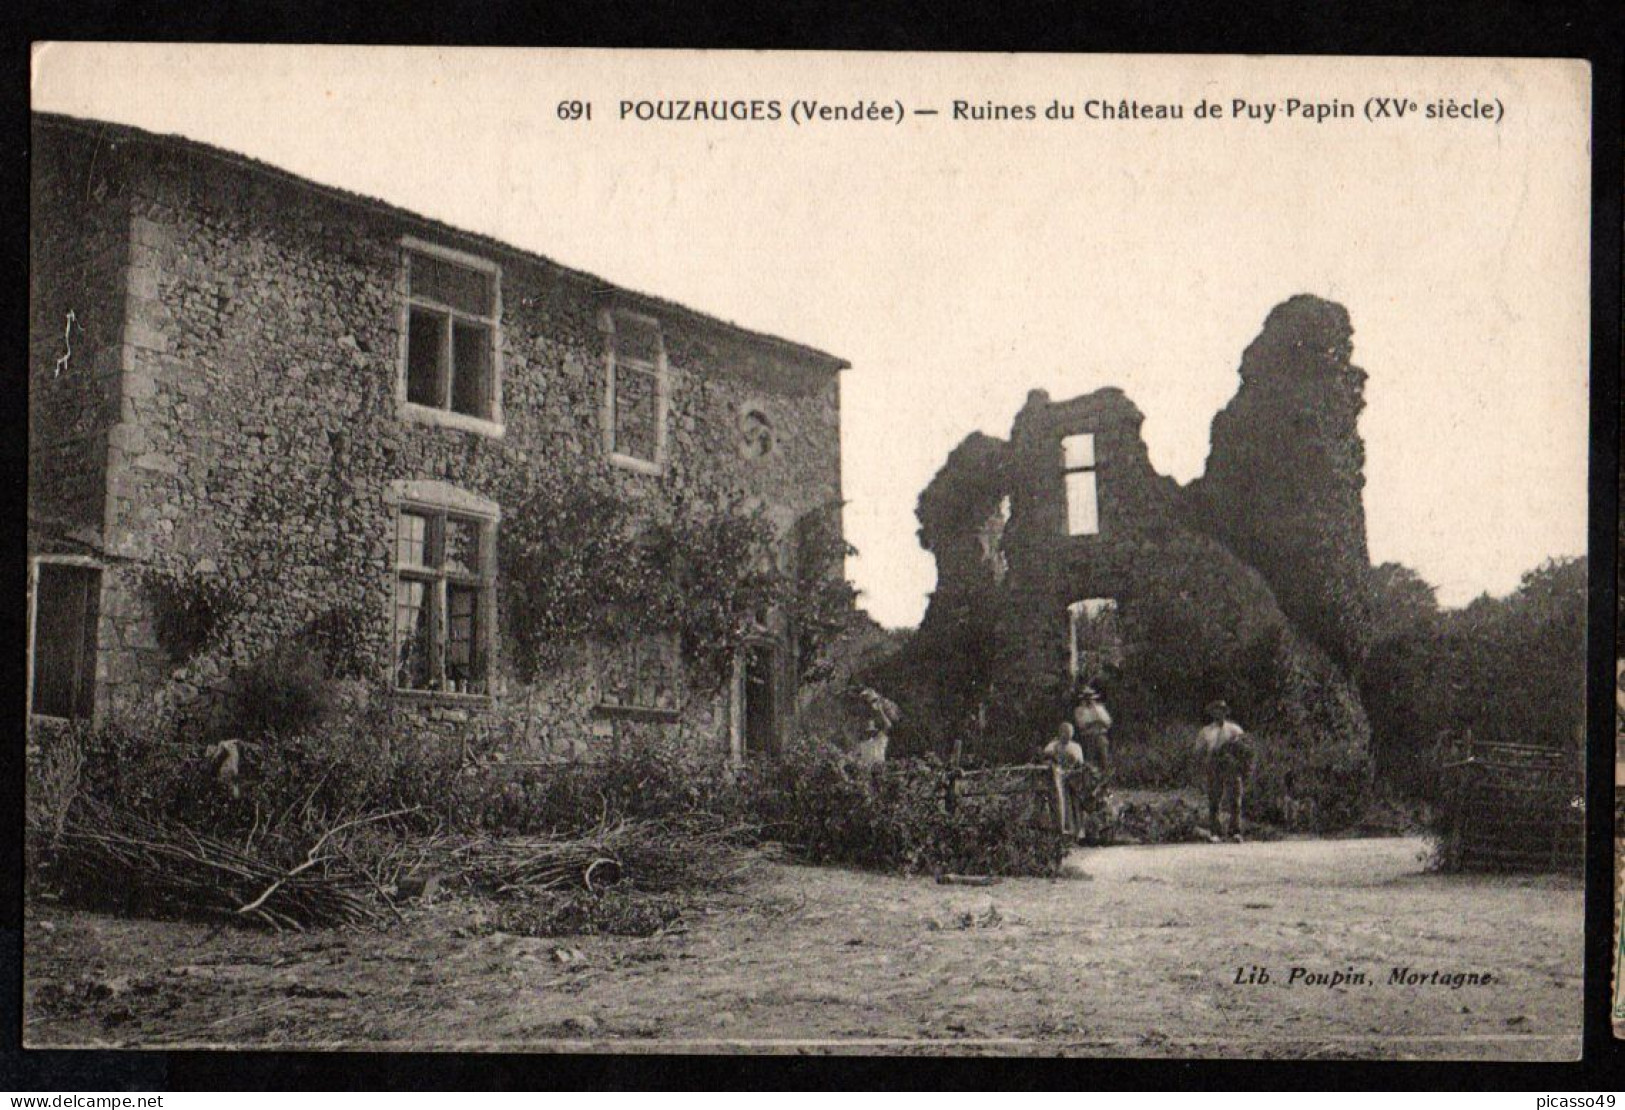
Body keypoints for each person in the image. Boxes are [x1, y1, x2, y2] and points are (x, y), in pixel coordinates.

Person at [1196, 699, 1256, 842]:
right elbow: (1198, 751)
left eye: (1222, 710)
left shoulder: (1234, 729)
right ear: (1212, 713)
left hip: (1231, 766)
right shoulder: (1206, 731)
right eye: (1216, 710)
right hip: (1214, 766)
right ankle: (1215, 832)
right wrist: (1204, 764)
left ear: (1225, 713)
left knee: (1235, 799)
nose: (1219, 713)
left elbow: (1245, 747)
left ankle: (1235, 831)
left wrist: (1242, 764)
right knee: (1214, 799)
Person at [855, 687, 900, 768]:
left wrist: (880, 710)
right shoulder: (862, 744)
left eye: (871, 731)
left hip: (879, 769)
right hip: (866, 770)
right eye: (867, 731)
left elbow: (888, 725)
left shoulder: (880, 739)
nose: (869, 733)